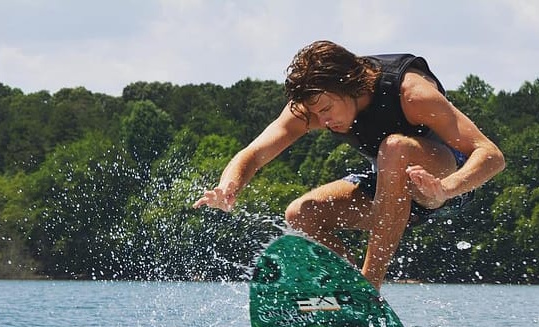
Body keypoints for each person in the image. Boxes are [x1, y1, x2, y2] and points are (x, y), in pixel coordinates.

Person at [193, 40, 505, 290]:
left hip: (447, 182)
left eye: (327, 109)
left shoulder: (411, 93)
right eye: (317, 114)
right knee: (301, 214)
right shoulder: (315, 105)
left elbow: (490, 155)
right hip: (391, 190)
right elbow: (254, 152)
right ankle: (352, 291)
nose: (323, 121)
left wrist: (444, 189)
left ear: (350, 86)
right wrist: (228, 187)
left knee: (394, 147)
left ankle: (370, 287)